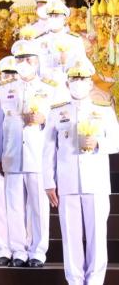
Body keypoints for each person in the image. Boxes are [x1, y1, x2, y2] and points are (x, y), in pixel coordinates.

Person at [43, 59, 119, 285]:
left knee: (97, 237)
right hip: (67, 182)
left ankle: (95, 281)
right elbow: (48, 150)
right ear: (67, 84)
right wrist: (49, 181)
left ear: (90, 83)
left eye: (82, 79)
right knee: (71, 237)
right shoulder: (57, 112)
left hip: (96, 183)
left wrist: (98, 144)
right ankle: (75, 281)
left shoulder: (103, 110)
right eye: (74, 79)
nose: (78, 83)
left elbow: (116, 141)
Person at [0, 39, 55, 268]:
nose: (24, 64)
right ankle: (19, 251)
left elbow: (57, 127)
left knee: (38, 208)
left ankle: (38, 251)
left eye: (28, 59)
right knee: (14, 207)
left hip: (38, 157)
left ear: (37, 62)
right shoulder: (5, 90)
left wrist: (43, 119)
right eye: (20, 59)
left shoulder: (49, 90)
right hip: (12, 155)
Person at [0, 55, 18, 266]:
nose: (8, 78)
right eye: (5, 74)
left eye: (12, 74)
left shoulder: (25, 95)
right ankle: (3, 250)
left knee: (20, 206)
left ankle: (20, 248)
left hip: (18, 157)